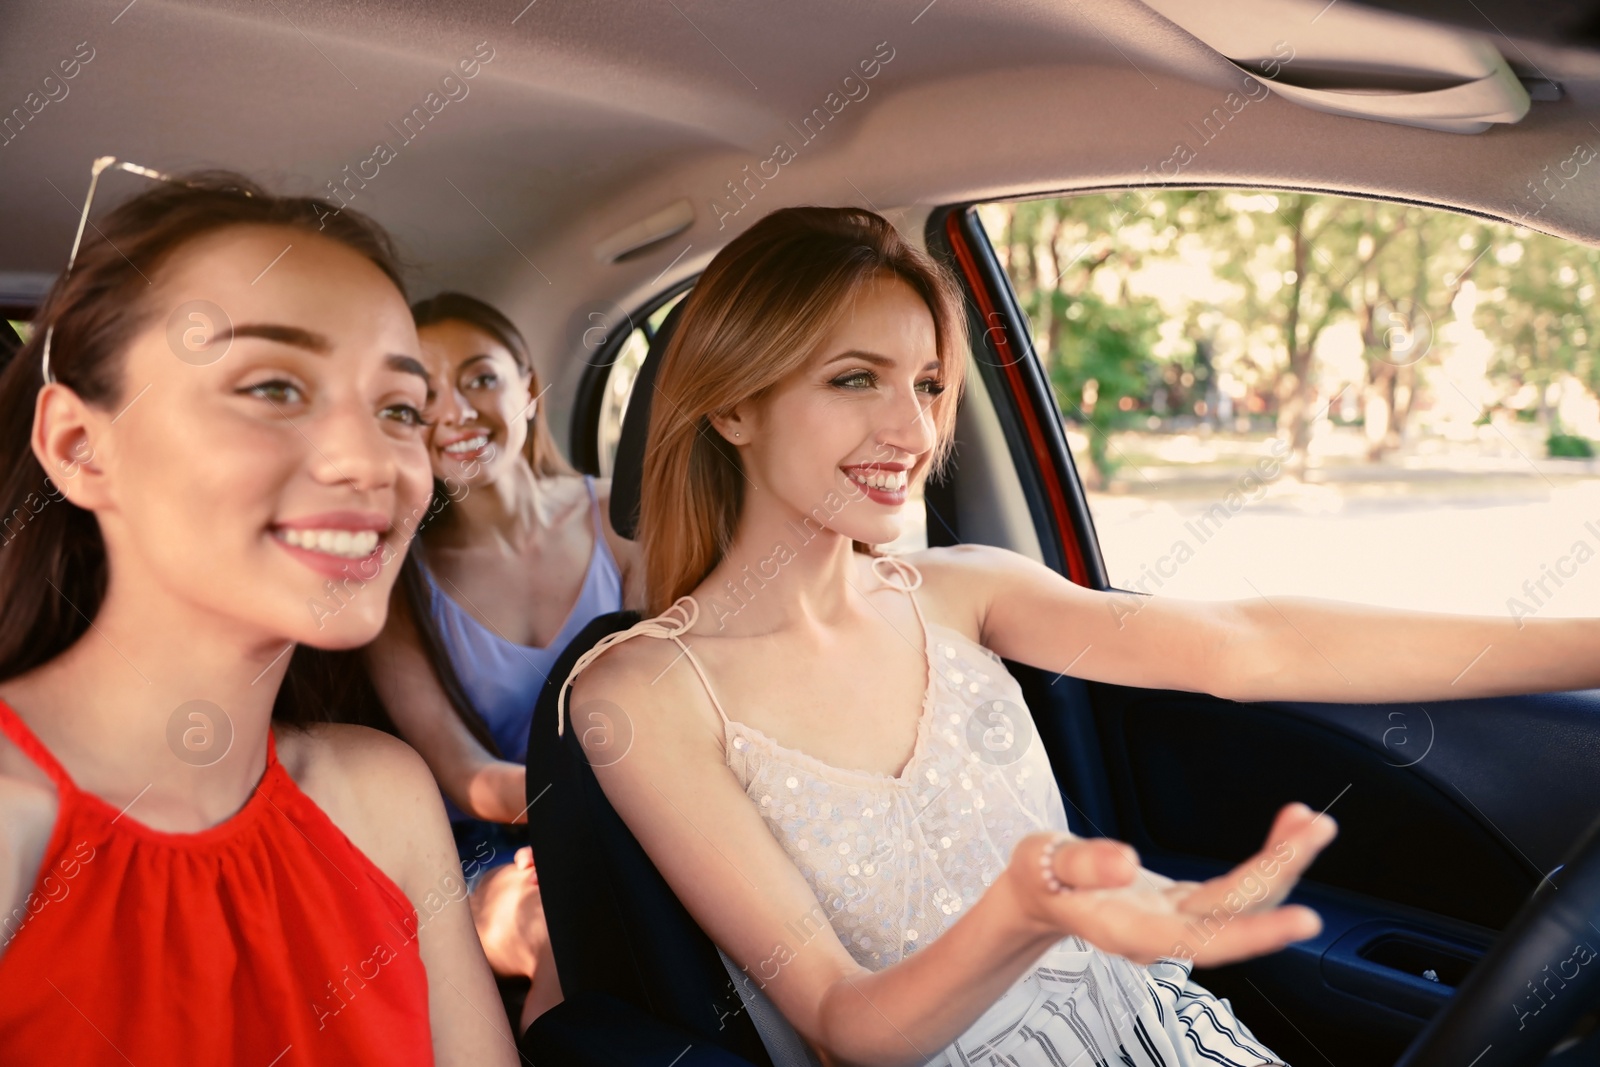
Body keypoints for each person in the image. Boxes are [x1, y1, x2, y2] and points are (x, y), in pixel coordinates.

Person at [558, 206, 1600, 1066]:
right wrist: (1030, 910)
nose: (915, 432)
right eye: (854, 378)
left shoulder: (958, 590)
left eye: (927, 384)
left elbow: (1248, 645)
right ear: (732, 404)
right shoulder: (640, 694)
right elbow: (842, 1022)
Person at [0, 166, 516, 1065]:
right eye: (274, 387)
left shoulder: (383, 798)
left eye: (399, 408)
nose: (371, 461)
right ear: (80, 447)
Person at [361, 292, 643, 1028]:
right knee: (556, 929)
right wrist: (585, 813)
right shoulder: (396, 579)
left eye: (479, 378)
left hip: (643, 799)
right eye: (417, 396)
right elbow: (462, 773)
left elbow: (670, 692)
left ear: (528, 387)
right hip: (486, 837)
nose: (451, 411)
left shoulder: (622, 521)